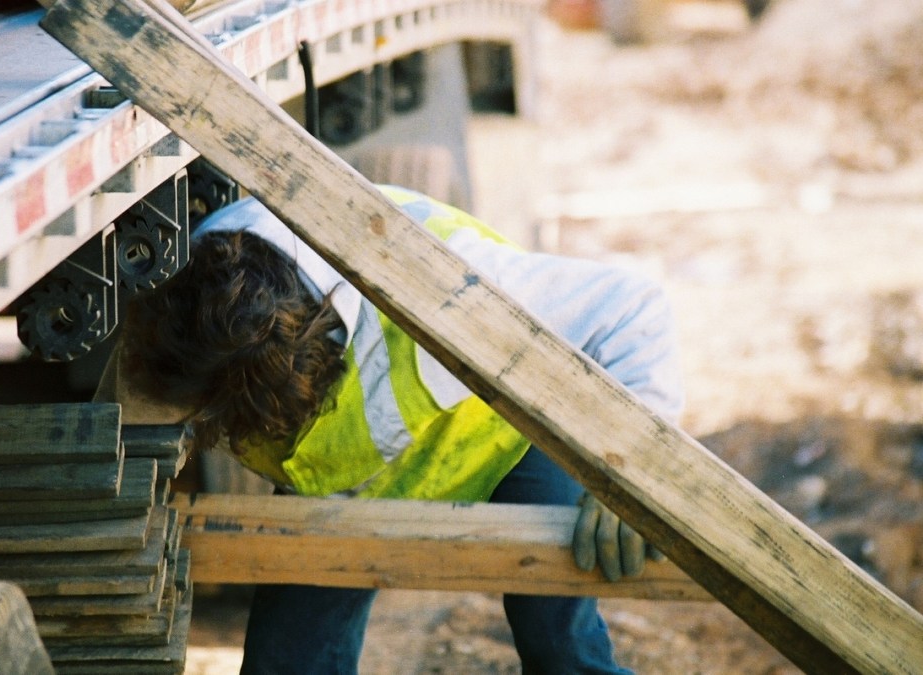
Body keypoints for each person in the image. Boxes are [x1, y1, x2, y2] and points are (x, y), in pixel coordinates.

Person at [98, 184, 685, 674]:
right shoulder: (189, 312)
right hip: (338, 485)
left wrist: (631, 473)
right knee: (287, 663)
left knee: (559, 644)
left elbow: (631, 307)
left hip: (504, 441)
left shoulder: (443, 286)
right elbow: (129, 426)